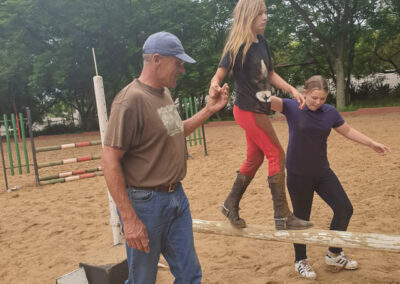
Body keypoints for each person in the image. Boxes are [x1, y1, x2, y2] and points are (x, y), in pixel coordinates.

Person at [101, 31, 229, 284]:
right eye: (178, 63)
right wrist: (129, 219)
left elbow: (176, 132)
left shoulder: (164, 94)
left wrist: (209, 109)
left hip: (176, 199)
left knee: (190, 275)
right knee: (143, 280)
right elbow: (109, 160)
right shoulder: (129, 101)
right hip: (145, 203)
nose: (181, 70)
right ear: (156, 60)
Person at [266, 75, 391, 279]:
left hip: (323, 172)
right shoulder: (291, 106)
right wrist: (256, 82)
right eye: (314, 97)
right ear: (304, 93)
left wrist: (372, 143)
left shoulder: (329, 112)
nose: (318, 102)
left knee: (344, 209)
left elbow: (348, 130)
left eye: (322, 98)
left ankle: (334, 253)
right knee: (301, 219)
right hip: (298, 175)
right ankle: (300, 260)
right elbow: (261, 100)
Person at [209, 0, 312, 230]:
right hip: (247, 109)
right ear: (248, 16)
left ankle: (230, 204)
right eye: (260, 14)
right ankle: (282, 215)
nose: (265, 17)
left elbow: (271, 74)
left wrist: (292, 90)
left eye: (265, 12)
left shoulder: (262, 42)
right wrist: (214, 86)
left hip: (258, 110)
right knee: (276, 153)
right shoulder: (237, 45)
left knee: (255, 158)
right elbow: (218, 75)